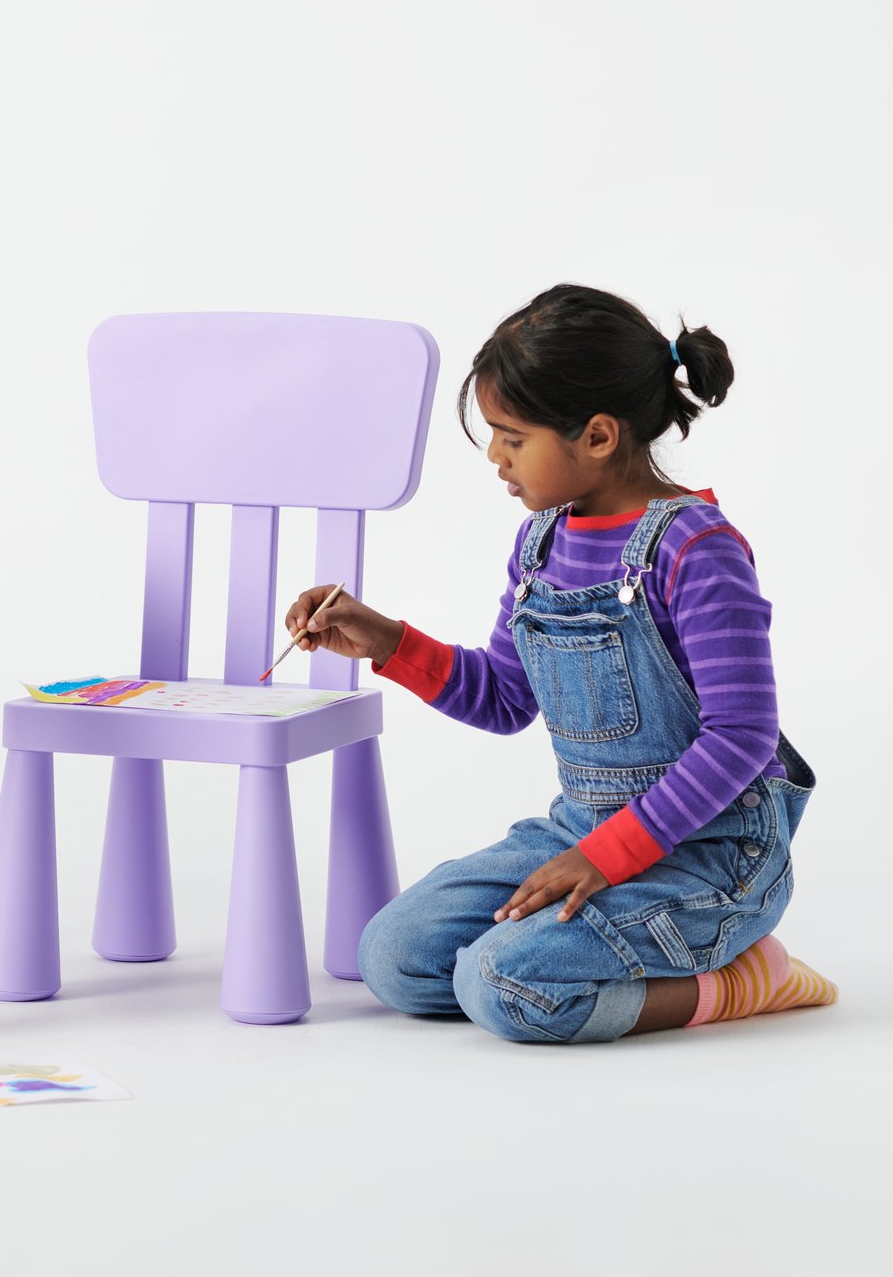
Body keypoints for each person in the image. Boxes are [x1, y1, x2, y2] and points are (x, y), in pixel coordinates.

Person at [285, 283, 837, 1043]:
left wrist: (608, 858)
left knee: (502, 986)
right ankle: (577, 958)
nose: (495, 457)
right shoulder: (541, 542)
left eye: (512, 437)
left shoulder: (698, 550)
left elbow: (742, 738)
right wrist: (386, 640)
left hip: (712, 854)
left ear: (599, 436)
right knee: (395, 959)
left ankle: (746, 978)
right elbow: (504, 698)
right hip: (581, 831)